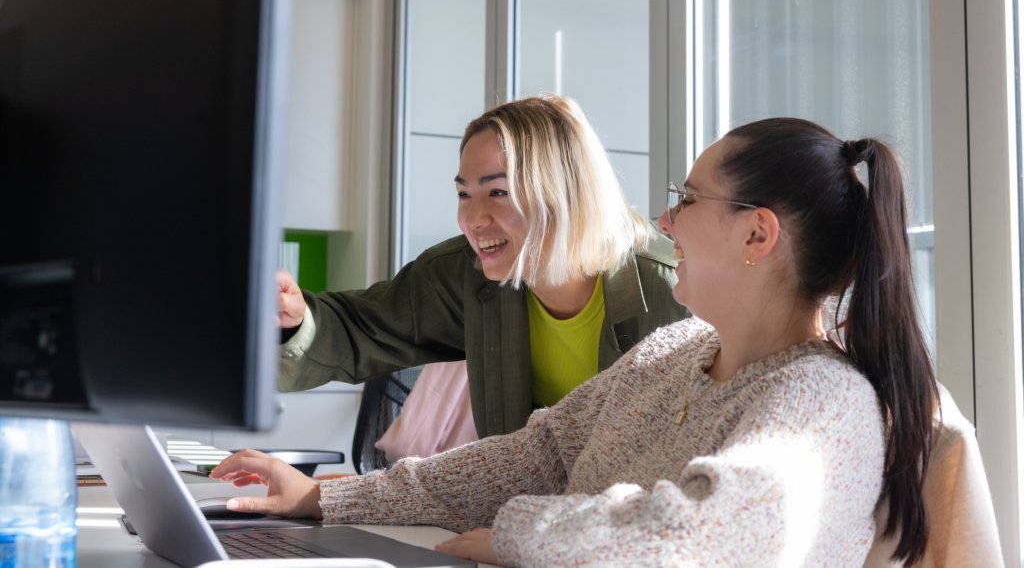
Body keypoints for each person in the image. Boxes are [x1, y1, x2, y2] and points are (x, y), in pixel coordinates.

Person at [214, 117, 939, 566]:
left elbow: (697, 535)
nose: (665, 217)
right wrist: (327, 501)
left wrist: (518, 533)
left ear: (758, 234)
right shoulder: (674, 352)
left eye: (687, 199)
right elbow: (538, 452)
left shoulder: (822, 400)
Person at [276, 94, 687, 440]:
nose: (473, 219)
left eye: (498, 192)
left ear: (565, 193)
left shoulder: (674, 289)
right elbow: (361, 327)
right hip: (521, 519)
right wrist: (296, 320)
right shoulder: (463, 274)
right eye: (464, 194)